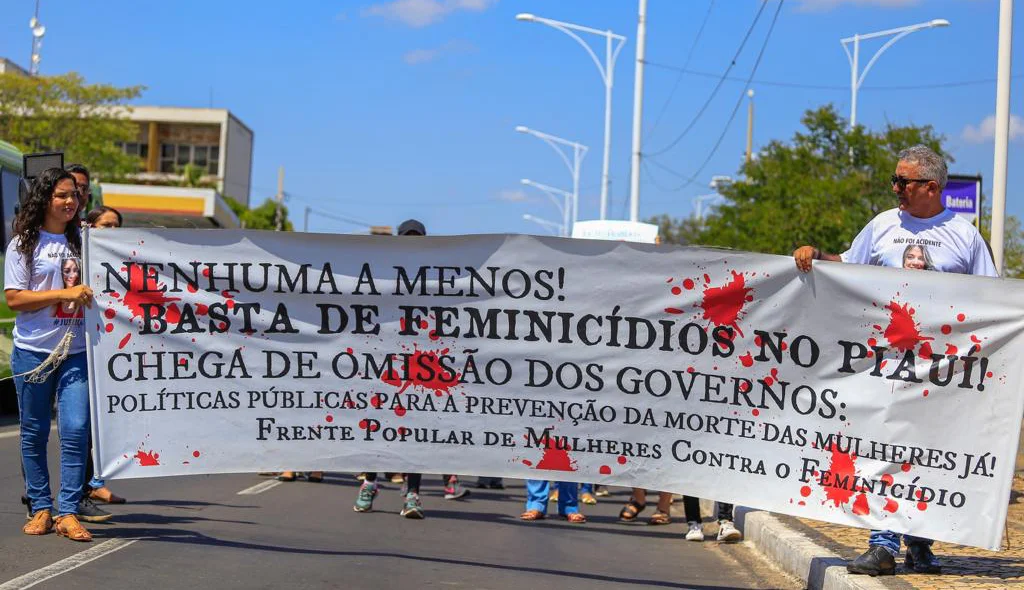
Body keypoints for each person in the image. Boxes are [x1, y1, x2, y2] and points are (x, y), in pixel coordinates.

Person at [794, 145, 997, 576]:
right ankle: (882, 543)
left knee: (929, 455)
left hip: (942, 371)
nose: (895, 188)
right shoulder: (883, 226)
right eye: (895, 180)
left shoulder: (964, 236)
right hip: (885, 364)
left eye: (903, 182)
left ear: (931, 186)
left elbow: (991, 300)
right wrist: (816, 258)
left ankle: (920, 543)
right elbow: (847, 267)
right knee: (885, 448)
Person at [5, 168, 95, 542]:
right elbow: (14, 299)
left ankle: (69, 512)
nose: (70, 202)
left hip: (77, 352)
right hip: (33, 352)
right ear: (44, 199)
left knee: (76, 429)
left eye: (74, 195)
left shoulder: (88, 241)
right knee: (35, 432)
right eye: (61, 195)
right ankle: (42, 507)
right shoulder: (23, 243)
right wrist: (63, 294)